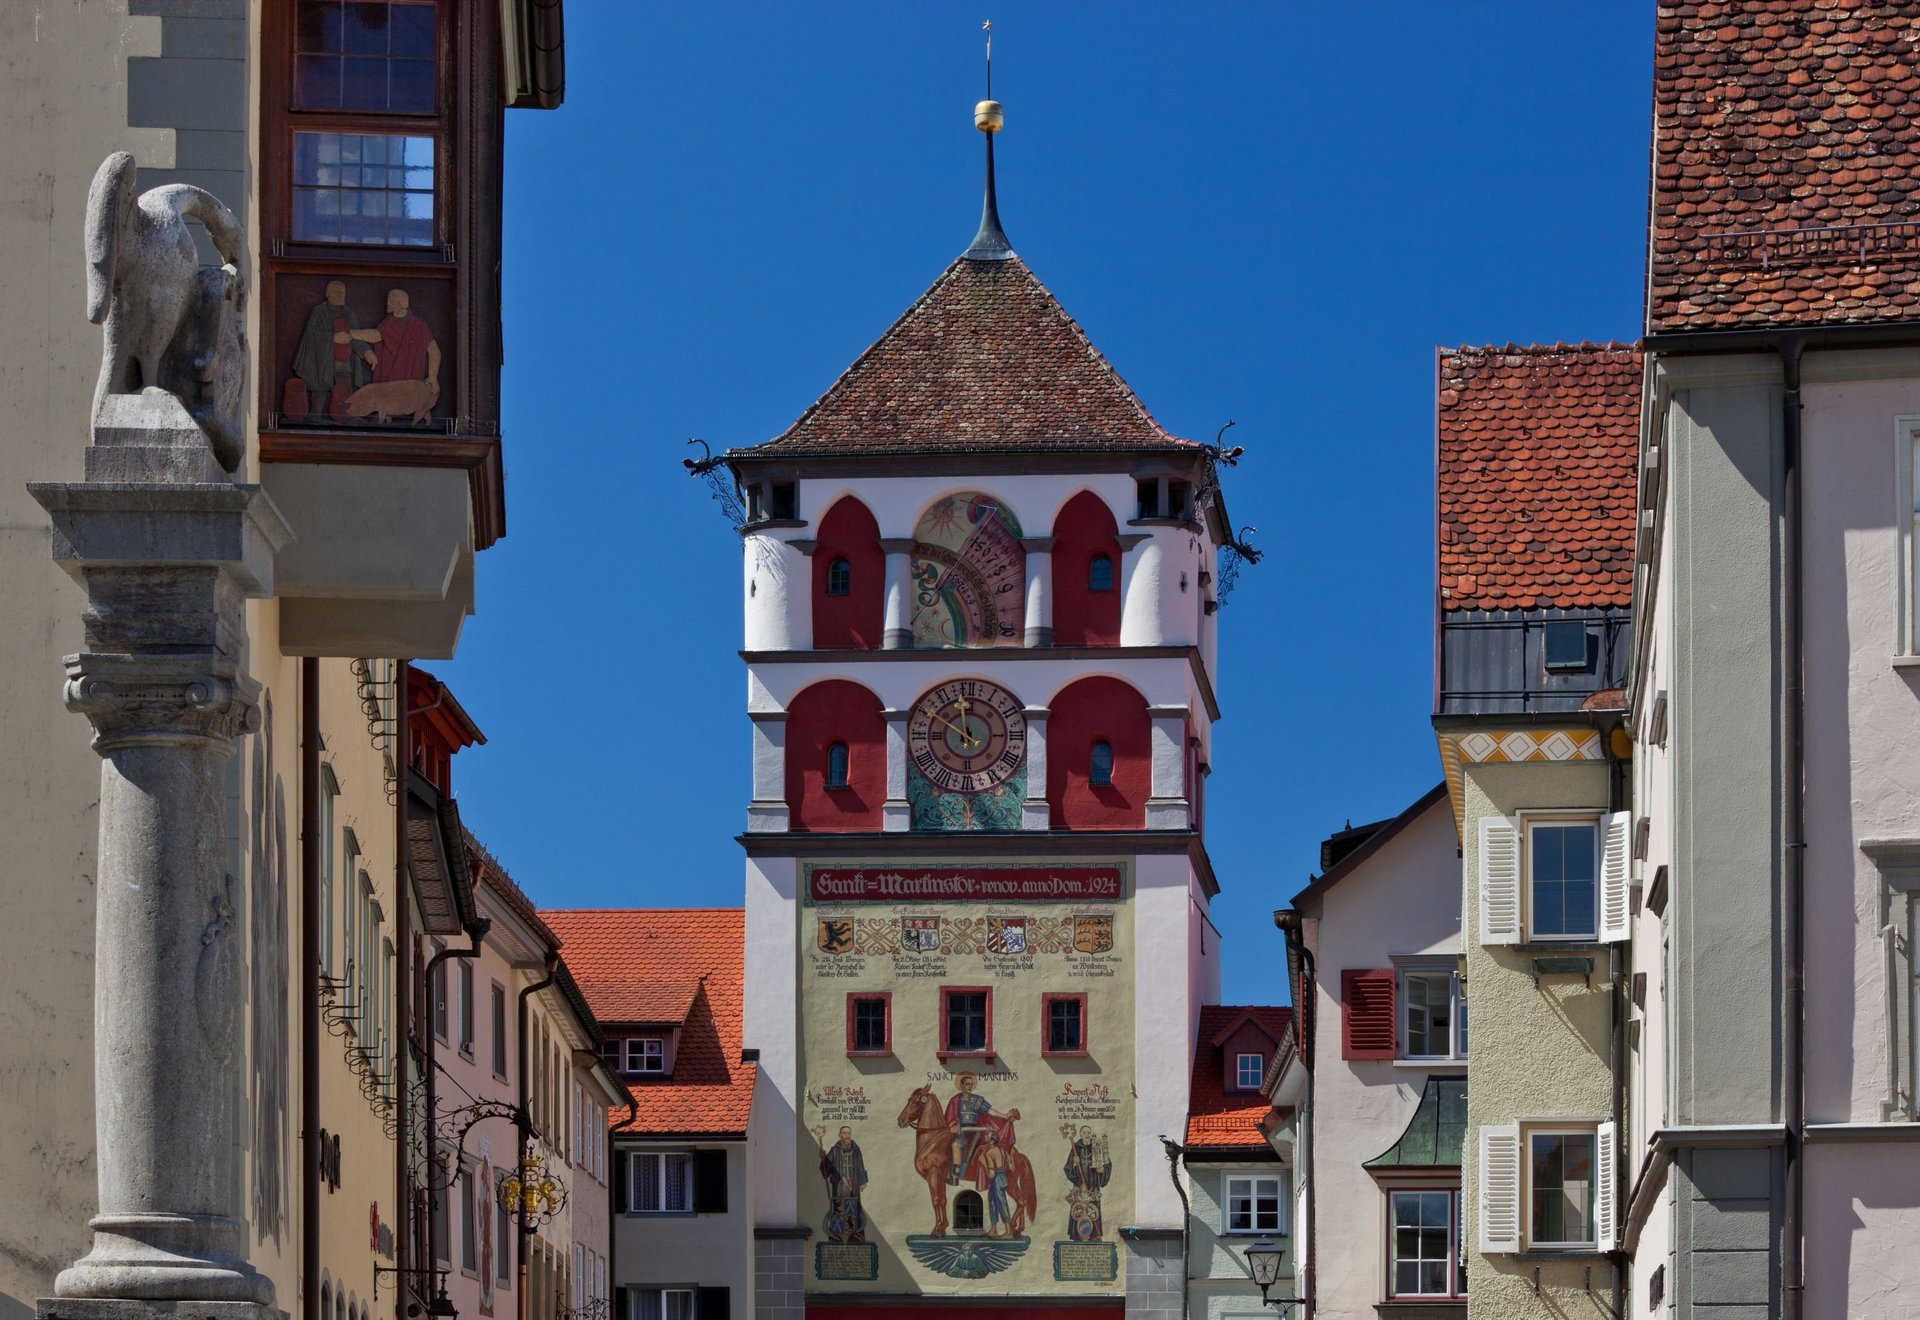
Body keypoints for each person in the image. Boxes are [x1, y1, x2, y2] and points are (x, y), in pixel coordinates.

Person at [290, 280, 376, 421]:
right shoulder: (318, 312)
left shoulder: (348, 313)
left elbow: (355, 335)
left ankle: (346, 416)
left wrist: (367, 351)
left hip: (343, 360)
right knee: (321, 390)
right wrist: (332, 338)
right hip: (322, 360)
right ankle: (316, 416)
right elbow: (311, 335)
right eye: (336, 292)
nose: (339, 295)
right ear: (327, 294)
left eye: (342, 293)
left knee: (345, 387)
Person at [944, 1073, 1019, 1189]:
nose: (969, 1087)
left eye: (971, 1084)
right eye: (967, 1084)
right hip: (960, 1131)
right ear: (962, 1085)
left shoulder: (976, 1100)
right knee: (952, 1144)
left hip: (975, 1132)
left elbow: (990, 1111)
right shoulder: (955, 1100)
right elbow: (950, 1117)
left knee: (959, 1145)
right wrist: (953, 1125)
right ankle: (954, 1174)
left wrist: (1004, 1116)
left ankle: (959, 1174)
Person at [367, 288, 440, 390]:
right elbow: (377, 335)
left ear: (400, 304)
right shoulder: (387, 323)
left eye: (391, 301)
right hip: (387, 384)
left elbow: (434, 351)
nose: (387, 303)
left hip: (411, 384)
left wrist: (432, 377)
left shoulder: (418, 326)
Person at [815, 1125, 868, 1243]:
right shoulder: (835, 1150)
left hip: (853, 1188)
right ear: (840, 1135)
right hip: (838, 1189)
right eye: (844, 1133)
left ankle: (856, 1237)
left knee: (854, 1211)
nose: (847, 1136)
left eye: (848, 1133)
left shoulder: (856, 1150)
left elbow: (861, 1167)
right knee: (839, 1212)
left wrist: (863, 1181)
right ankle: (837, 1237)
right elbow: (826, 1171)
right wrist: (823, 1159)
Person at [1063, 1126, 1111, 1241]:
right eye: (1084, 1132)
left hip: (1093, 1185)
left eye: (1089, 1132)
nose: (1087, 1135)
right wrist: (1074, 1164)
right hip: (1080, 1186)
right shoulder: (1076, 1148)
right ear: (1080, 1134)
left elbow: (1107, 1163)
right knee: (1078, 1209)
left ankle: (1094, 1234)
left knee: (1093, 1209)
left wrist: (1103, 1170)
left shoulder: (1097, 1146)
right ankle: (1077, 1234)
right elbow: (1067, 1168)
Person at [977, 1131, 1013, 1238]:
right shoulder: (1003, 1151)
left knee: (1001, 1203)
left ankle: (1008, 1231)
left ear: (991, 1140)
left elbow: (991, 1175)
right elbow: (1012, 1168)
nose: (985, 1136)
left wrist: (983, 1161)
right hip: (1003, 1177)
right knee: (992, 1200)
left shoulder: (989, 1153)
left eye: (987, 1135)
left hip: (996, 1178)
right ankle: (993, 1229)